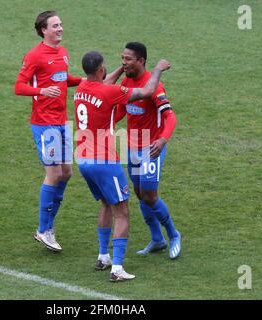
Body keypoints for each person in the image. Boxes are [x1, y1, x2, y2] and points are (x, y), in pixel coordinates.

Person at [74, 51, 171, 281]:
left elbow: (103, 83)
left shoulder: (80, 89)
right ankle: (117, 269)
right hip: (105, 161)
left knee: (105, 204)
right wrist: (158, 69)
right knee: (122, 212)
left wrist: (119, 69)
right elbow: (147, 92)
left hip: (83, 160)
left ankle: (103, 256)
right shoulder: (110, 92)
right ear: (100, 70)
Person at [14, 11, 82, 252]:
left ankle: (48, 226)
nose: (60, 28)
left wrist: (84, 81)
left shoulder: (62, 53)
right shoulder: (34, 56)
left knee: (66, 173)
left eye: (61, 24)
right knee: (53, 174)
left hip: (61, 121)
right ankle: (44, 230)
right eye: (55, 26)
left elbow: (62, 79)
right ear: (44, 30)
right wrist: (42, 92)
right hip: (44, 123)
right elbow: (19, 87)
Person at [116, 42, 181, 259]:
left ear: (141, 61)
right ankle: (157, 239)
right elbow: (123, 110)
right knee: (139, 193)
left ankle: (173, 234)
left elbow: (171, 117)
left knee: (150, 195)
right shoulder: (126, 81)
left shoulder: (155, 87)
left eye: (128, 59)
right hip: (132, 144)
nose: (123, 62)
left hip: (151, 145)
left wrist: (163, 140)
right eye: (122, 58)